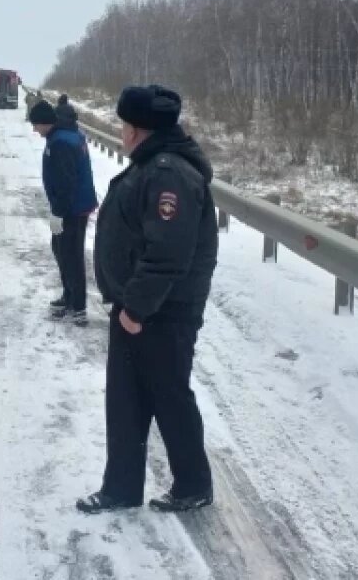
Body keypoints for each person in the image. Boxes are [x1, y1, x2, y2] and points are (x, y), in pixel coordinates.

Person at [79, 84, 218, 515]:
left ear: (137, 130)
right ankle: (121, 488)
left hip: (162, 313)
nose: (121, 132)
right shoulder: (153, 166)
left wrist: (137, 309)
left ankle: (193, 485)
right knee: (126, 401)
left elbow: (168, 253)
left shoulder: (168, 174)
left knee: (168, 397)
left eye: (124, 124)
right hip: (139, 309)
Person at [28, 99, 98, 326]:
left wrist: (58, 213)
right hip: (75, 205)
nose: (34, 130)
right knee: (61, 249)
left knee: (71, 255)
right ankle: (69, 296)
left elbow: (67, 183)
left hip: (73, 208)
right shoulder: (65, 135)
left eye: (35, 125)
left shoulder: (60, 143)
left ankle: (78, 306)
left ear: (46, 122)